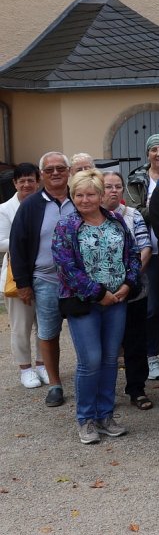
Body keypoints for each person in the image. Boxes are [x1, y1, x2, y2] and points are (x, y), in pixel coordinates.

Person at [51, 169, 140, 445]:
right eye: (79, 194)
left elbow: (133, 254)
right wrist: (98, 293)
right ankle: (86, 419)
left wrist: (129, 284)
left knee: (110, 359)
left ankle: (106, 415)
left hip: (118, 301)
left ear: (101, 195)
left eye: (90, 194)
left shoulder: (116, 221)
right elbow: (66, 267)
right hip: (84, 303)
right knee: (90, 361)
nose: (85, 199)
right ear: (72, 196)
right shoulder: (66, 226)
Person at [8, 152, 76, 407]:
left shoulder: (80, 198)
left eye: (60, 168)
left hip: (79, 281)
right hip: (45, 279)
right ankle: (56, 384)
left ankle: (87, 378)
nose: (55, 173)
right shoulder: (31, 205)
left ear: (69, 171)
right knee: (48, 333)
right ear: (42, 175)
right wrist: (24, 284)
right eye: (49, 170)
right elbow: (18, 245)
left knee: (83, 330)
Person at [102, 172, 153, 412]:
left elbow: (145, 248)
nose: (113, 191)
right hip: (101, 295)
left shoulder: (133, 216)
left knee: (135, 342)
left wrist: (128, 283)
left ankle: (136, 389)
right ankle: (105, 392)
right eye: (108, 187)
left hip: (133, 291)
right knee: (106, 345)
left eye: (118, 186)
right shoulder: (86, 218)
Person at [2, 163, 44, 389]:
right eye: (22, 180)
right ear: (14, 183)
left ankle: (42, 363)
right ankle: (25, 368)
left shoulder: (45, 204)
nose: (26, 184)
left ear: (37, 181)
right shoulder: (4, 209)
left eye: (30, 180)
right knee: (20, 325)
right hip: (16, 274)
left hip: (44, 272)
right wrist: (25, 239)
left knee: (45, 323)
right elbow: (0, 242)